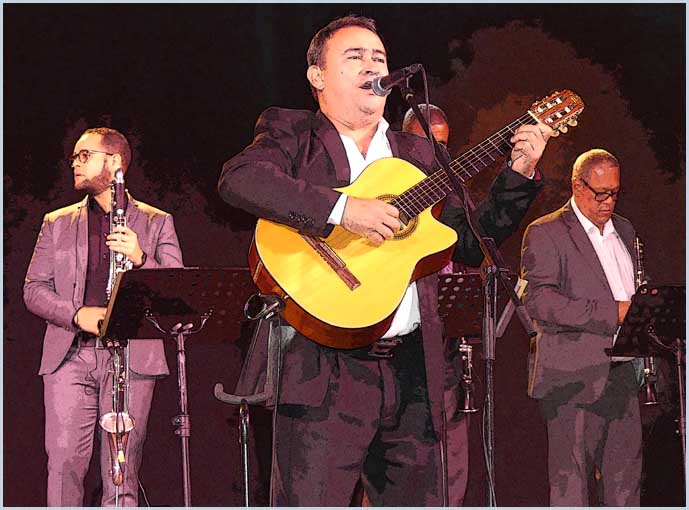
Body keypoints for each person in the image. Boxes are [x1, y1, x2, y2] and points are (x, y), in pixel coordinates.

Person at [219, 15, 551, 506]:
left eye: (379, 58)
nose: (372, 66)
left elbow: (467, 242)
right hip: (323, 368)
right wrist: (343, 210)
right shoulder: (292, 132)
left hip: (415, 374)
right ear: (317, 75)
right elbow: (241, 179)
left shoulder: (421, 153)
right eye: (354, 57)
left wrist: (518, 175)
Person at [24, 127, 184, 506]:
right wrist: (77, 314)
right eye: (74, 157)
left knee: (121, 473)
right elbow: (33, 289)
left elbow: (177, 293)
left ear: (114, 163)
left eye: (84, 155)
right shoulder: (56, 222)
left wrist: (141, 258)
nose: (74, 163)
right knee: (63, 466)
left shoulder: (156, 221)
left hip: (131, 357)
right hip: (71, 357)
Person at [520, 148, 641, 506]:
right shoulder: (546, 231)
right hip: (571, 376)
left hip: (623, 372)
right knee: (571, 487)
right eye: (599, 193)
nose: (607, 202)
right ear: (577, 186)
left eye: (614, 193)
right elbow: (539, 301)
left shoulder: (624, 228)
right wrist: (613, 312)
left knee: (626, 483)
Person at [403, 103, 471, 507]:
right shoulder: (386, 186)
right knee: (397, 467)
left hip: (444, 347)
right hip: (401, 348)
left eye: (444, 145)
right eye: (428, 144)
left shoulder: (453, 194)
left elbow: (471, 249)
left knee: (452, 460)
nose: (437, 154)